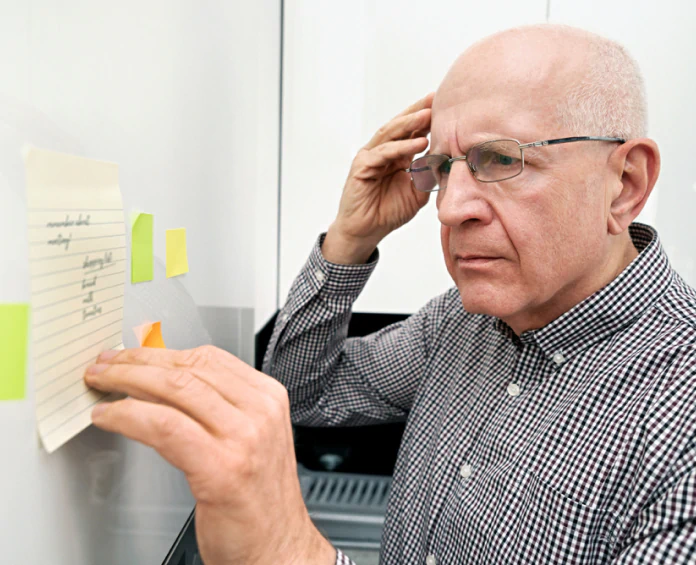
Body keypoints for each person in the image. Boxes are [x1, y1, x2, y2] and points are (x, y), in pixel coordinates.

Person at [83, 23, 696, 565]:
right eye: (445, 168)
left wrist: (290, 554)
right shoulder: (459, 324)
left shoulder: (679, 430)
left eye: (500, 159)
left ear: (625, 185)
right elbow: (301, 396)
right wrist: (351, 238)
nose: (450, 209)